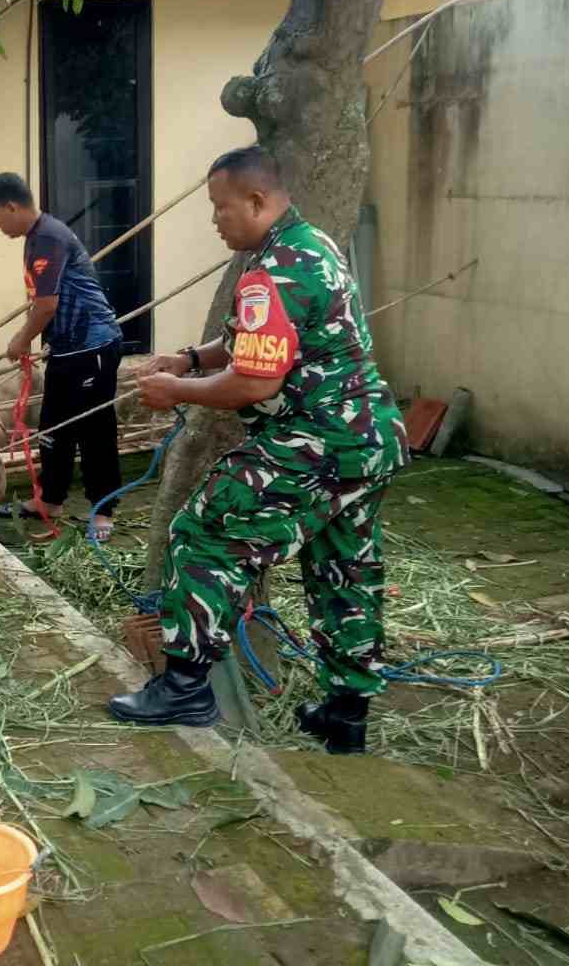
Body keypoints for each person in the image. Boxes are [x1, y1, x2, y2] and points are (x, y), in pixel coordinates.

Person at [107, 147, 409, 754]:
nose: (215, 220)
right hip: (368, 436)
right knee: (343, 566)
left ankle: (185, 688)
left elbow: (254, 382)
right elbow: (253, 343)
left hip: (318, 439)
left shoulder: (269, 272)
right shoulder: (310, 246)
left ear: (257, 200)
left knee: (204, 529)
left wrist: (175, 391)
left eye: (221, 208)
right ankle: (346, 714)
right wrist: (189, 360)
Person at [0, 172, 124, 540]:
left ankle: (102, 510)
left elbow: (46, 305)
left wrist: (20, 340)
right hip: (65, 347)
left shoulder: (48, 237)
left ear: (12, 206)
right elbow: (44, 303)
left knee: (95, 430)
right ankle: (50, 499)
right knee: (53, 428)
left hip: (92, 346)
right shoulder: (37, 237)